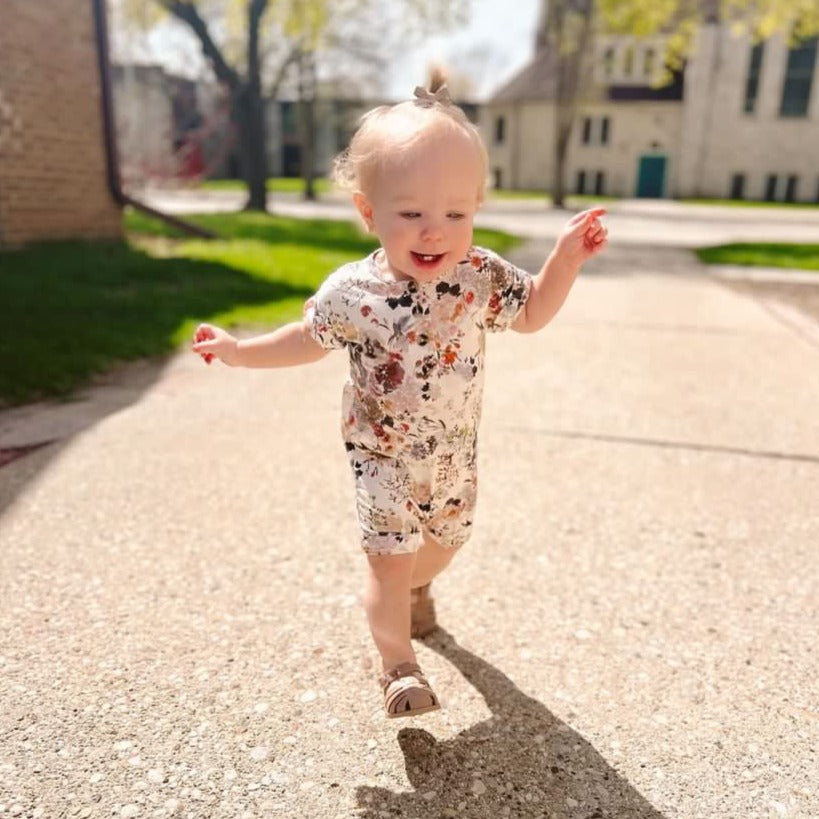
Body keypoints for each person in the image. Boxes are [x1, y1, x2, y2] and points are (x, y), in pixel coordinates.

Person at [191, 71, 608, 719]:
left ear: (475, 207)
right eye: (410, 213)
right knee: (388, 564)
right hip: (380, 457)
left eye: (455, 214)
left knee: (440, 546)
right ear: (369, 212)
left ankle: (417, 589)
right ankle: (396, 664)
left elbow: (530, 314)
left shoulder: (478, 276)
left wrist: (565, 261)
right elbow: (307, 337)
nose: (433, 231)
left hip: (451, 458)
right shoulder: (352, 293)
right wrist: (239, 350)